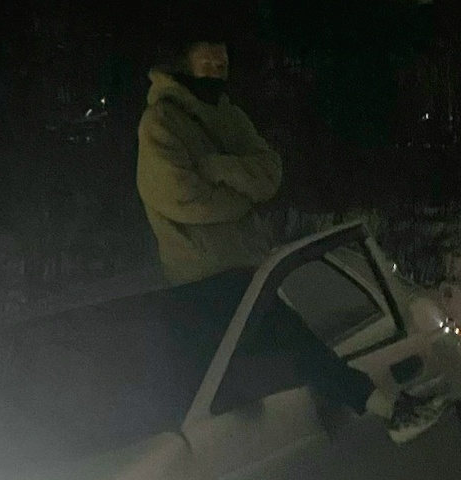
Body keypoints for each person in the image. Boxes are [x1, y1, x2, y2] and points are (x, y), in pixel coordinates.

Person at [136, 31, 448, 444]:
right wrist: (241, 197)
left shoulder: (230, 116)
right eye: (207, 63)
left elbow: (270, 173)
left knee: (285, 350)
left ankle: (382, 409)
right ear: (186, 64)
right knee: (249, 365)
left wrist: (218, 168)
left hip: (247, 268)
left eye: (222, 64)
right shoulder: (162, 122)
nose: (216, 71)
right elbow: (180, 196)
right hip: (200, 276)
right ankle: (383, 408)